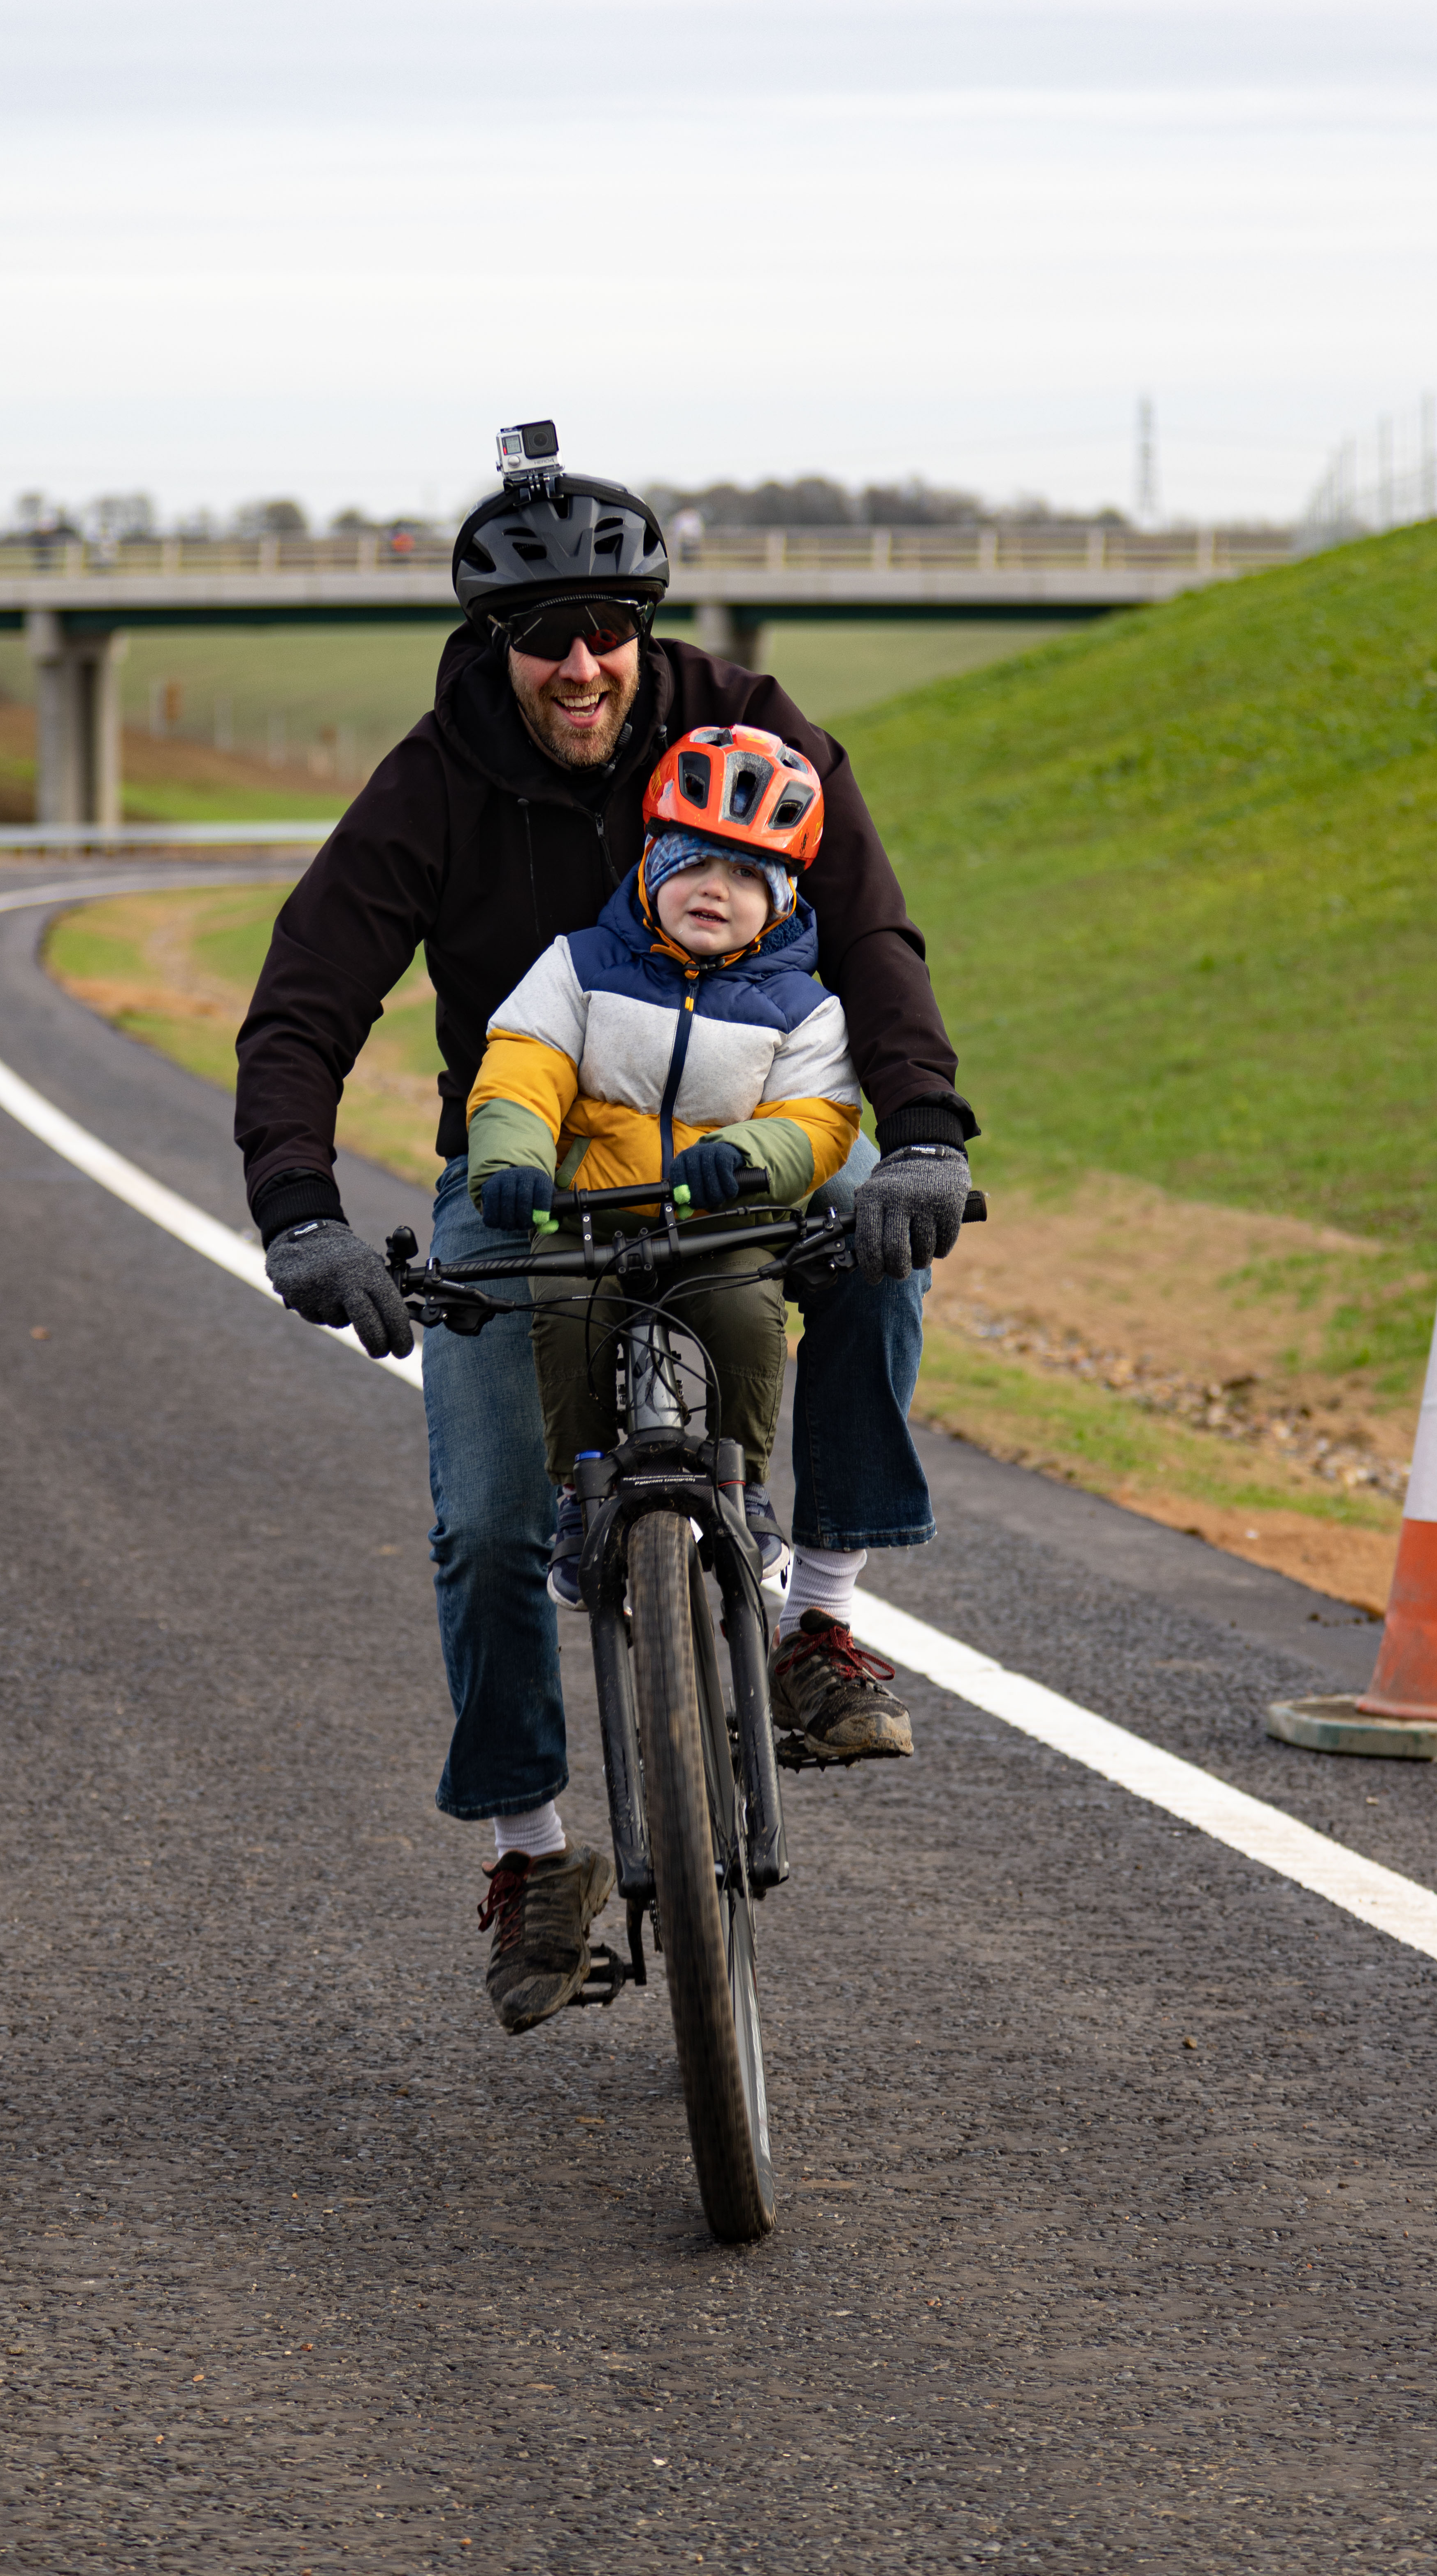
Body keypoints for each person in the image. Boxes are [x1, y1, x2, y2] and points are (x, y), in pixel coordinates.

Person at [235, 432, 979, 2032]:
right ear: (491, 640)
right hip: (523, 1175)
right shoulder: (434, 782)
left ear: (644, 625)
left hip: (749, 1141)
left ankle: (822, 1618)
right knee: (489, 1519)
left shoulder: (753, 731)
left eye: (605, 627)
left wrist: (922, 1134)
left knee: (875, 1230)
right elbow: (303, 1006)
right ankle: (532, 1854)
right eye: (539, 634)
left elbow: (871, 935)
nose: (578, 661)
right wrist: (301, 1214)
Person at [466, 722, 858, 1628]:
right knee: (563, 1303)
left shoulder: (803, 1008)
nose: (711, 890)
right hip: (590, 1209)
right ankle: (580, 1487)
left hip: (722, 1221)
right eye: (690, 862)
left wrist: (751, 1158)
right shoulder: (578, 965)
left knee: (741, 1311)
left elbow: (820, 1118)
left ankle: (745, 1484)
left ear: (783, 897)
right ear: (649, 863)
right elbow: (522, 1066)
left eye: (743, 875)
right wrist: (515, 1161)